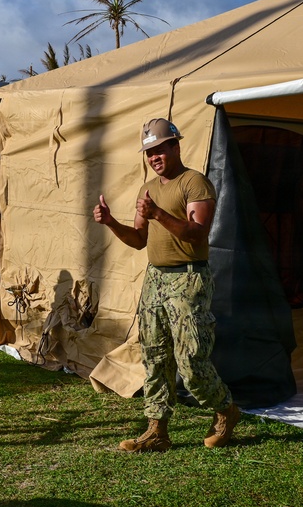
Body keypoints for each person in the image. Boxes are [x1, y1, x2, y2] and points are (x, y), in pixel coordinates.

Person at [93, 118, 239, 451]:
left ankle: (226, 410)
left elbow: (197, 233)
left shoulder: (194, 183)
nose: (154, 157)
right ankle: (157, 431)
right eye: (149, 152)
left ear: (176, 146)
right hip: (155, 278)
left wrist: (158, 213)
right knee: (154, 355)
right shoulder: (148, 189)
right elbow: (138, 239)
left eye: (160, 149)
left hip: (188, 278)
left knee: (190, 361)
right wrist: (111, 221)